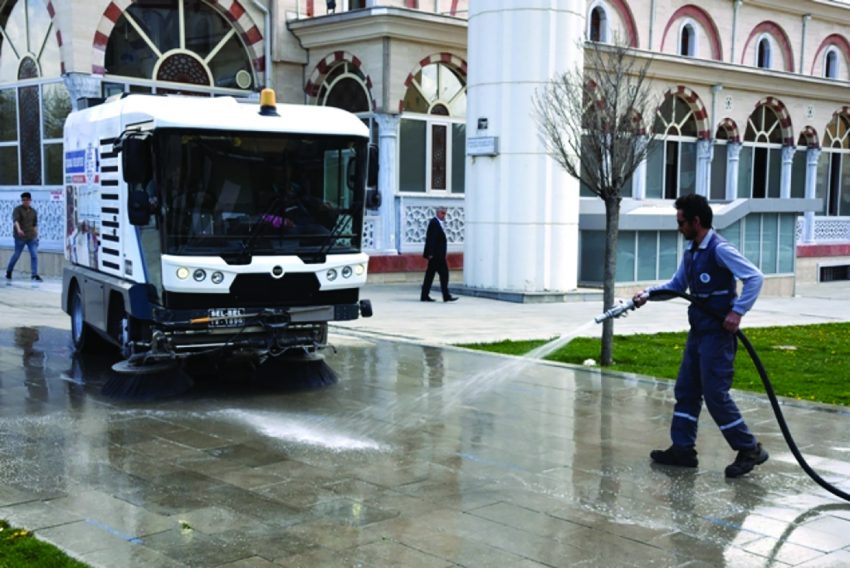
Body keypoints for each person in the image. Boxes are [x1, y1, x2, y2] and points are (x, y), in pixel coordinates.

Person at [633, 194, 768, 478]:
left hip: (717, 336)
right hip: (699, 333)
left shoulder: (719, 249)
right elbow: (677, 285)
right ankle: (682, 449)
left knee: (715, 395)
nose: (679, 228)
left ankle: (750, 449)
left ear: (696, 221)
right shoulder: (692, 252)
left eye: (681, 222)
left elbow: (755, 277)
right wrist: (648, 294)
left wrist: (738, 311)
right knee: (686, 391)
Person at [420, 207, 458, 303]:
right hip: (436, 256)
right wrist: (431, 253)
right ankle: (446, 295)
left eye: (445, 213)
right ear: (437, 213)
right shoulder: (434, 223)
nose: (444, 215)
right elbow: (431, 239)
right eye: (442, 213)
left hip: (437, 255)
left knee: (430, 275)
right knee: (444, 274)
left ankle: (425, 295)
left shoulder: (439, 223)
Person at [6, 192, 41, 282]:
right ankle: (9, 271)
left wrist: (37, 235)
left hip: (31, 237)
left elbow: (34, 225)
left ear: (30, 200)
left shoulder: (33, 211)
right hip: (20, 237)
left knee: (34, 255)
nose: (25, 202)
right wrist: (18, 230)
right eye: (23, 200)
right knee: (16, 255)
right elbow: (16, 221)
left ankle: (34, 274)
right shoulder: (17, 210)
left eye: (26, 200)